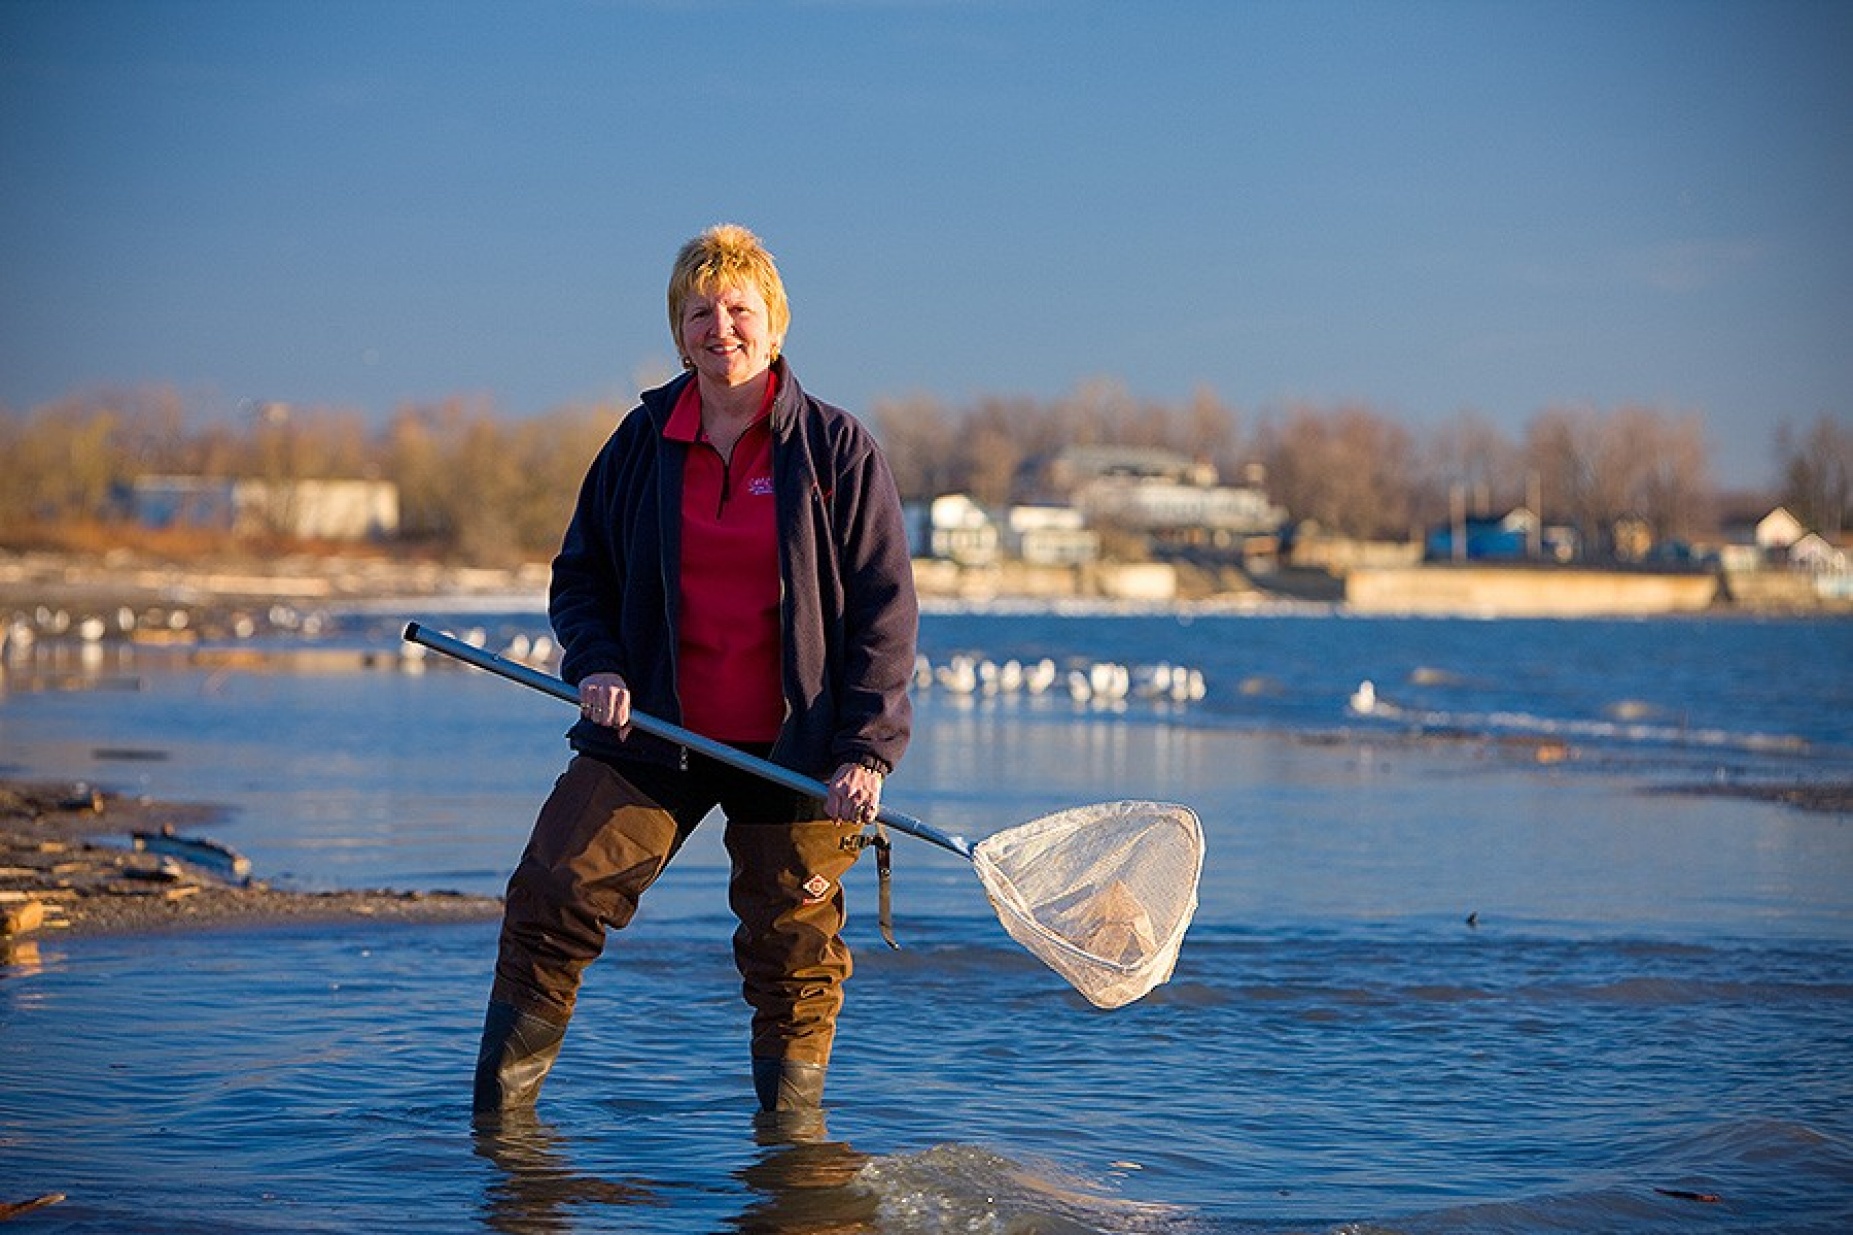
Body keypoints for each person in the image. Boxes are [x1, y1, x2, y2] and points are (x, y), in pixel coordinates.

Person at [472, 224, 918, 1127]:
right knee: (553, 893)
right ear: (678, 332)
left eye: (739, 310)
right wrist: (596, 662)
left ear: (775, 323)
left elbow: (884, 610)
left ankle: (789, 1171)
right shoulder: (641, 442)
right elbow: (581, 573)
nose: (722, 328)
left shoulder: (835, 449)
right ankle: (501, 1140)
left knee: (792, 955)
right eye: (700, 312)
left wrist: (865, 752)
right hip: (653, 733)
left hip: (795, 755)